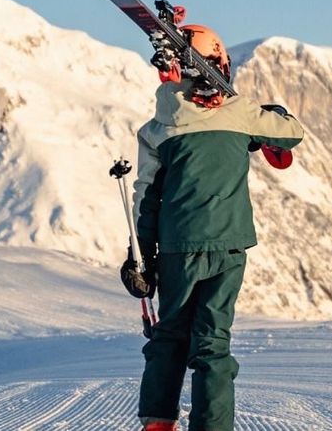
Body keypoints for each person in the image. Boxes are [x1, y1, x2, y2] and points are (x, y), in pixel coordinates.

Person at [119, 24, 305, 431]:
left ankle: (157, 425)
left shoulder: (159, 127)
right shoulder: (239, 115)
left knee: (169, 337)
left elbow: (146, 197)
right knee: (212, 344)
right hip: (228, 246)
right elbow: (293, 134)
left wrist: (140, 258)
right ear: (217, 64)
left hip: (175, 248)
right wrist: (267, 116)